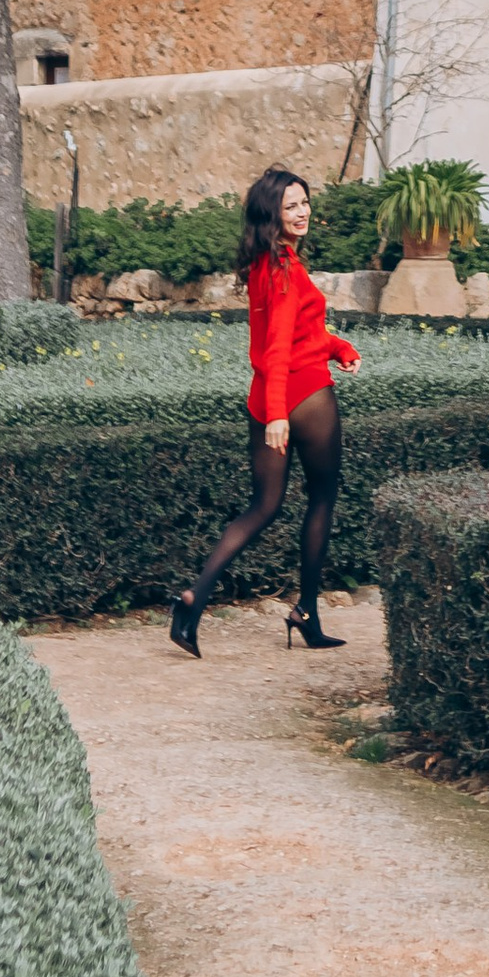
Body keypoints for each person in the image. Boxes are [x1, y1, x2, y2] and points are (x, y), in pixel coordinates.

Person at [169, 164, 361, 655]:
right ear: (271, 214)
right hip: (303, 397)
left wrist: (338, 347)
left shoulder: (264, 264)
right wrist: (280, 413)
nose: (302, 212)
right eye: (290, 206)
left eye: (304, 202)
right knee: (321, 500)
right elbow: (278, 346)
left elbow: (295, 335)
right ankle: (307, 613)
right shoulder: (285, 269)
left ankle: (194, 599)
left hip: (267, 395)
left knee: (264, 506)